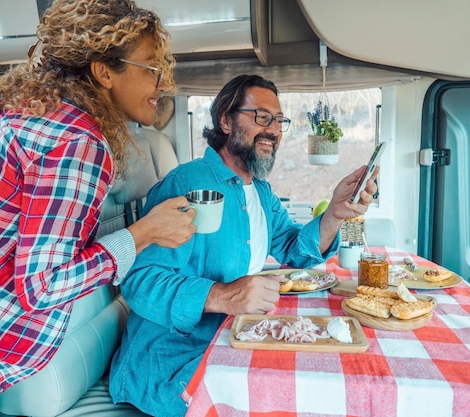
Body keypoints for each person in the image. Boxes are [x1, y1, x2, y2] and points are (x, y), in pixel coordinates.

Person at [0, 1, 196, 416]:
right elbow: (42, 286)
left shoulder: (29, 113)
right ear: (104, 71)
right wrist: (145, 232)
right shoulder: (76, 142)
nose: (163, 81)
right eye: (151, 66)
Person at [109, 74, 380, 416]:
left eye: (279, 120)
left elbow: (295, 250)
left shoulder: (261, 191)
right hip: (173, 361)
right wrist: (223, 295)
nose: (274, 130)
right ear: (225, 120)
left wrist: (336, 213)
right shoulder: (186, 184)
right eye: (261, 117)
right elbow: (139, 281)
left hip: (233, 336)